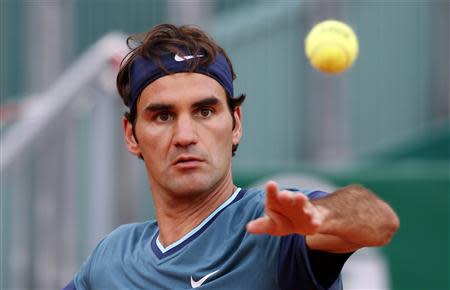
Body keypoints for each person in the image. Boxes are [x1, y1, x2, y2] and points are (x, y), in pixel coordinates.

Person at [62, 24, 399, 290]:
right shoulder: (111, 258)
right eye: (163, 116)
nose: (185, 136)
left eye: (205, 111)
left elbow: (378, 220)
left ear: (235, 124)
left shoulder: (272, 231)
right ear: (131, 135)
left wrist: (322, 216)